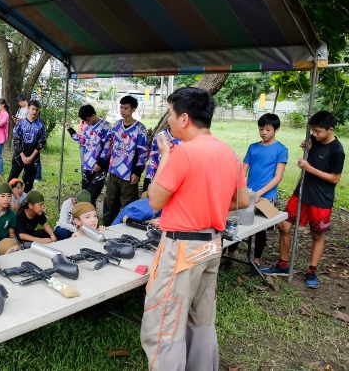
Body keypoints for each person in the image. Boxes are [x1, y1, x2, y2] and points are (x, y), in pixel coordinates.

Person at [142, 87, 249, 371]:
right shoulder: (229, 153)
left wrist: (164, 156)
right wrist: (205, 206)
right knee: (201, 318)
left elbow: (154, 200)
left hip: (182, 248)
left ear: (185, 118)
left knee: (165, 321)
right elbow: (242, 199)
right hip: (213, 243)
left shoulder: (183, 153)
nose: (169, 123)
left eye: (171, 116)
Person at [262, 111, 344, 289]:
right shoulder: (314, 141)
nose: (315, 134)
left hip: (321, 198)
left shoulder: (337, 150)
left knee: (317, 234)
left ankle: (312, 271)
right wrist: (307, 147)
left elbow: (335, 178)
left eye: (318, 131)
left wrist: (309, 168)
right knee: (284, 225)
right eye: (313, 131)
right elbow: (312, 147)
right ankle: (283, 265)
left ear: (330, 130)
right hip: (301, 192)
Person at [224, 113, 288, 269]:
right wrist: (239, 189)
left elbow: (277, 177)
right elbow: (243, 171)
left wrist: (260, 193)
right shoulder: (253, 147)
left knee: (261, 229)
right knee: (237, 222)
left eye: (268, 129)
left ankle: (256, 261)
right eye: (261, 129)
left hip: (267, 197)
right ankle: (229, 256)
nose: (264, 132)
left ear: (276, 129)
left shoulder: (281, 149)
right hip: (248, 195)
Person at [100, 95, 148, 225]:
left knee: (128, 203)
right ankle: (107, 226)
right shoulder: (116, 125)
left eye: (125, 108)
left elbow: (143, 152)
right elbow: (110, 145)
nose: (122, 110)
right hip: (113, 171)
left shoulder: (140, 129)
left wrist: (137, 172)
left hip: (129, 173)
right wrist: (102, 162)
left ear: (133, 109)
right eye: (121, 107)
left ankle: (127, 227)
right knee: (110, 201)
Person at [65, 105, 112, 205]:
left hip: (99, 167)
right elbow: (82, 140)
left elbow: (108, 147)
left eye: (86, 119)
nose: (85, 122)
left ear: (93, 115)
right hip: (87, 166)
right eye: (84, 121)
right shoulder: (88, 127)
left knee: (92, 195)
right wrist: (70, 130)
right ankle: (86, 217)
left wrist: (100, 163)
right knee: (85, 195)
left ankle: (90, 218)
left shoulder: (106, 127)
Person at [7, 99, 46, 193]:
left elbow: (41, 143)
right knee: (12, 180)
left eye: (37, 110)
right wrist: (23, 156)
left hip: (33, 158)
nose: (34, 112)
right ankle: (6, 201)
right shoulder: (20, 124)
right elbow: (16, 140)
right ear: (28, 109)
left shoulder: (41, 126)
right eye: (32, 109)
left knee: (29, 182)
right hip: (18, 157)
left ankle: (25, 204)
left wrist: (31, 157)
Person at [142, 127, 182, 196]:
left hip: (179, 184)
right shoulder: (160, 136)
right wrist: (147, 180)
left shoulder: (189, 138)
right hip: (160, 181)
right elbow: (153, 159)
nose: (169, 118)